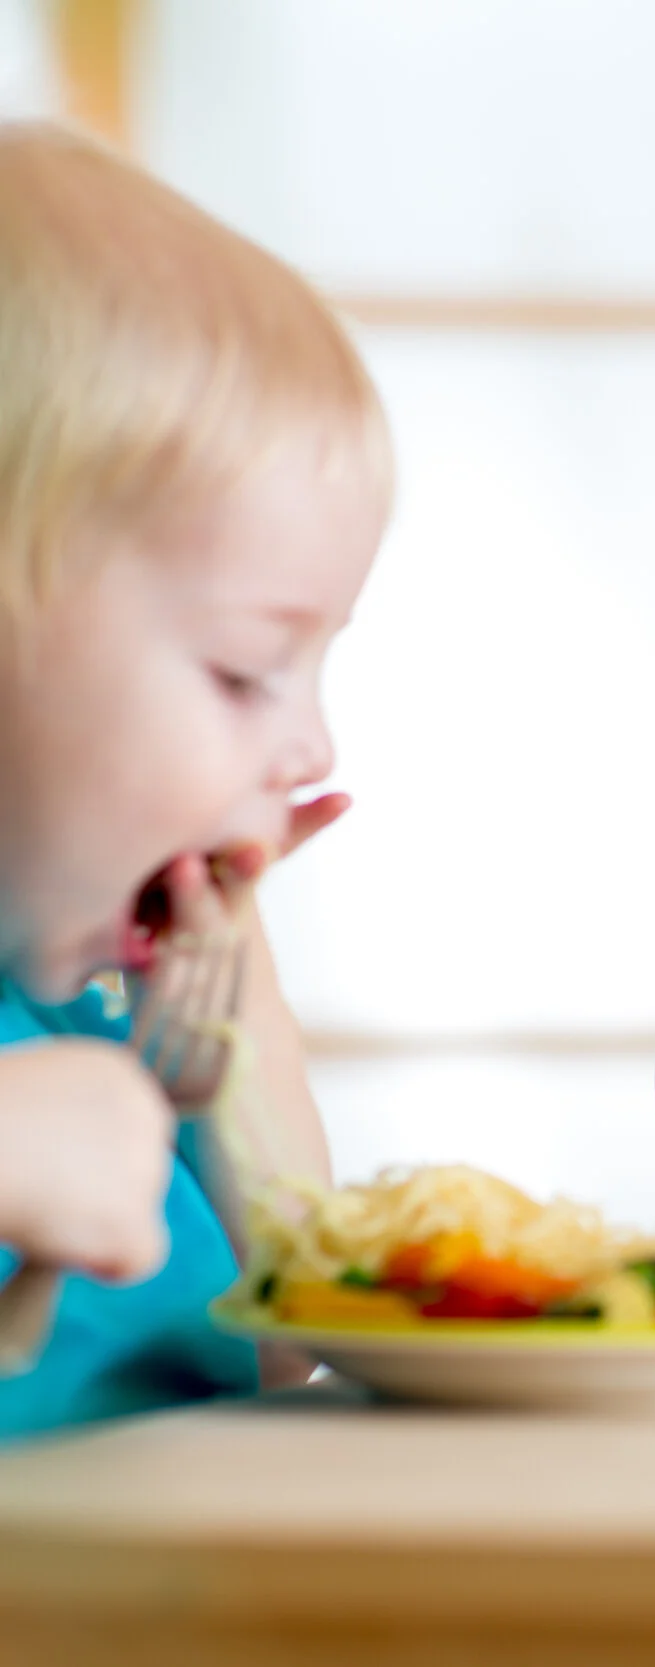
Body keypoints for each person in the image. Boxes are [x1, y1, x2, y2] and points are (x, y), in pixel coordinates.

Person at [0, 126, 388, 1437]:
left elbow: (294, 1356)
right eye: (242, 673)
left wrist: (243, 1074)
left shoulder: (108, 1007)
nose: (312, 751)